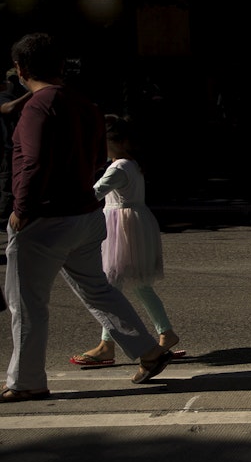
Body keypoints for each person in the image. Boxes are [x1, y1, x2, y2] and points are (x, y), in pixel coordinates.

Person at [2, 33, 171, 402]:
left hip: (45, 218)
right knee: (97, 289)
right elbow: (97, 158)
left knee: (27, 302)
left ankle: (26, 380)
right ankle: (148, 349)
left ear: (20, 69)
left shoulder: (38, 107)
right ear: (61, 66)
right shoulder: (86, 105)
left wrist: (22, 209)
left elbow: (31, 161)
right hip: (85, 214)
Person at [68, 115, 180, 367]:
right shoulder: (132, 164)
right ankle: (165, 332)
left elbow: (94, 193)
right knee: (138, 284)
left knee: (110, 285)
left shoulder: (118, 168)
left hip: (121, 226)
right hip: (133, 223)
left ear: (110, 141)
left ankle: (107, 345)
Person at [0, 70, 31, 223]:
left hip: (14, 146)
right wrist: (31, 93)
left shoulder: (12, 95)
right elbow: (7, 108)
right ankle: (4, 217)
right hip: (6, 148)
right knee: (6, 182)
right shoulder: (3, 97)